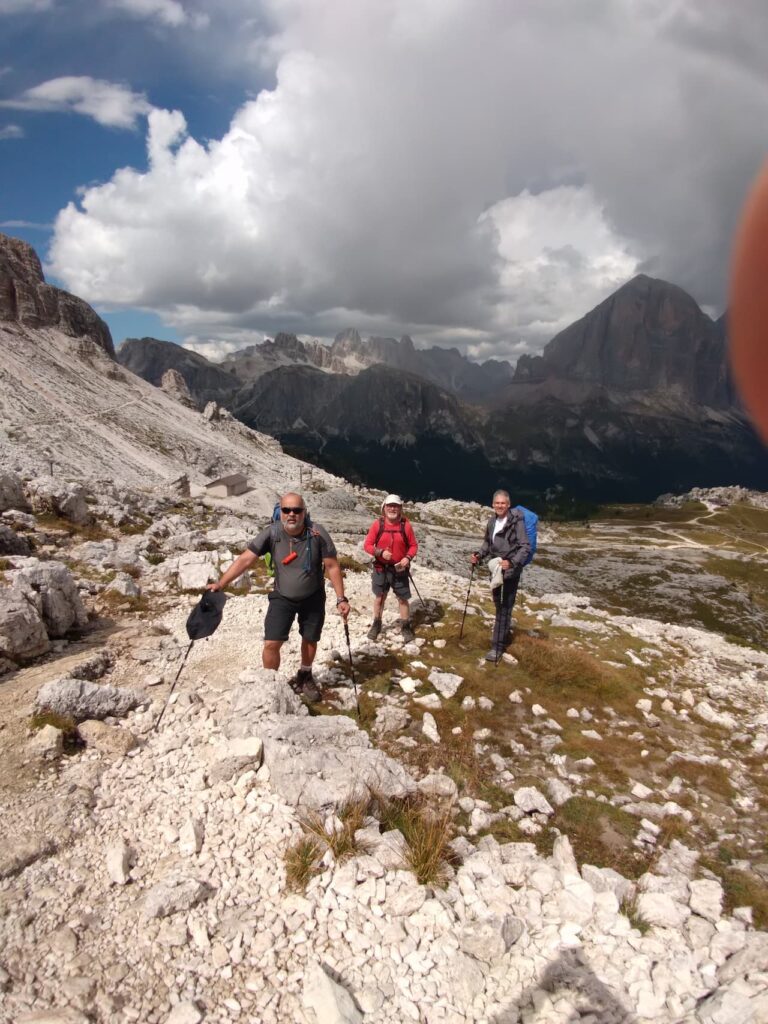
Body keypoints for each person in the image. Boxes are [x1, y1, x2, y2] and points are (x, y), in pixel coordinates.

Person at [208, 492, 350, 702]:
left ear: (304, 512)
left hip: (313, 596)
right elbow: (246, 560)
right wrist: (221, 583)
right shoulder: (272, 533)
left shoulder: (318, 533)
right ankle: (270, 683)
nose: (291, 514)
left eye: (297, 510)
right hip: (282, 596)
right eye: (286, 510)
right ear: (280, 512)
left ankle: (305, 673)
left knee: (310, 638)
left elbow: (332, 566)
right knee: (271, 643)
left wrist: (341, 598)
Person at [471, 490, 530, 662]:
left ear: (508, 504)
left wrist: (511, 563)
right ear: (492, 504)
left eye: (503, 503)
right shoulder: (491, 522)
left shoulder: (516, 521)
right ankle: (500, 635)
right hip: (496, 569)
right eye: (497, 503)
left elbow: (525, 546)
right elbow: (487, 544)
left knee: (505, 608)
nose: (499, 506)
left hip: (510, 571)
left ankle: (497, 647)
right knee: (499, 607)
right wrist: (478, 556)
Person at [363, 494, 419, 643]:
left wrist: (407, 558)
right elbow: (367, 545)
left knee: (402, 598)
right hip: (381, 568)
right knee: (380, 597)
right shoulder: (378, 525)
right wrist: (380, 552)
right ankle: (377, 623)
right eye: (390, 506)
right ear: (384, 508)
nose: (392, 509)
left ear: (400, 508)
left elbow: (413, 546)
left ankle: (405, 626)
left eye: (396, 506)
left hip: (399, 568)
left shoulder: (405, 525)